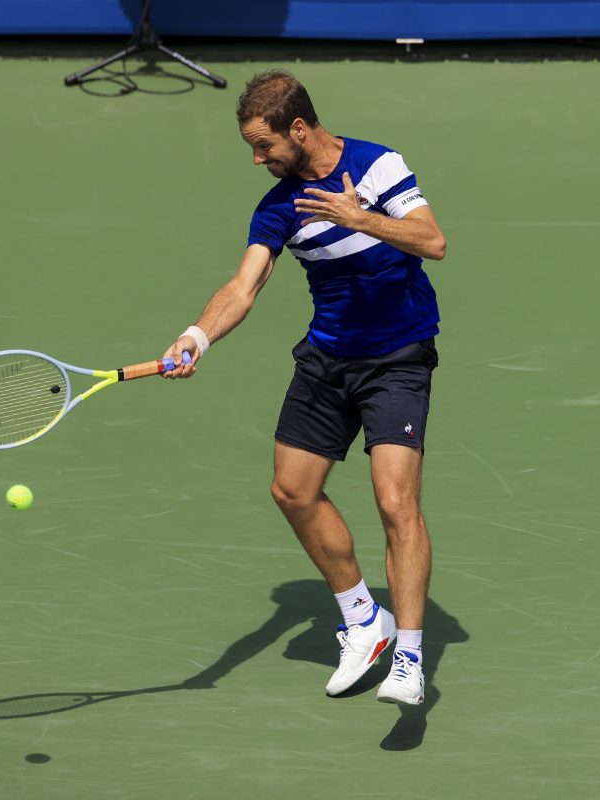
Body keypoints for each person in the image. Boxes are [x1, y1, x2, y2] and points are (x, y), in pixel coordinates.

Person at [161, 69, 447, 706]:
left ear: (299, 128)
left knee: (396, 504)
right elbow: (243, 288)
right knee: (292, 490)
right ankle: (361, 620)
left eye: (264, 146)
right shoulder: (278, 206)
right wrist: (196, 336)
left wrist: (362, 218)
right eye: (251, 149)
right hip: (327, 360)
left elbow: (433, 240)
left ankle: (408, 654)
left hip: (398, 359)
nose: (258, 160)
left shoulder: (378, 167)